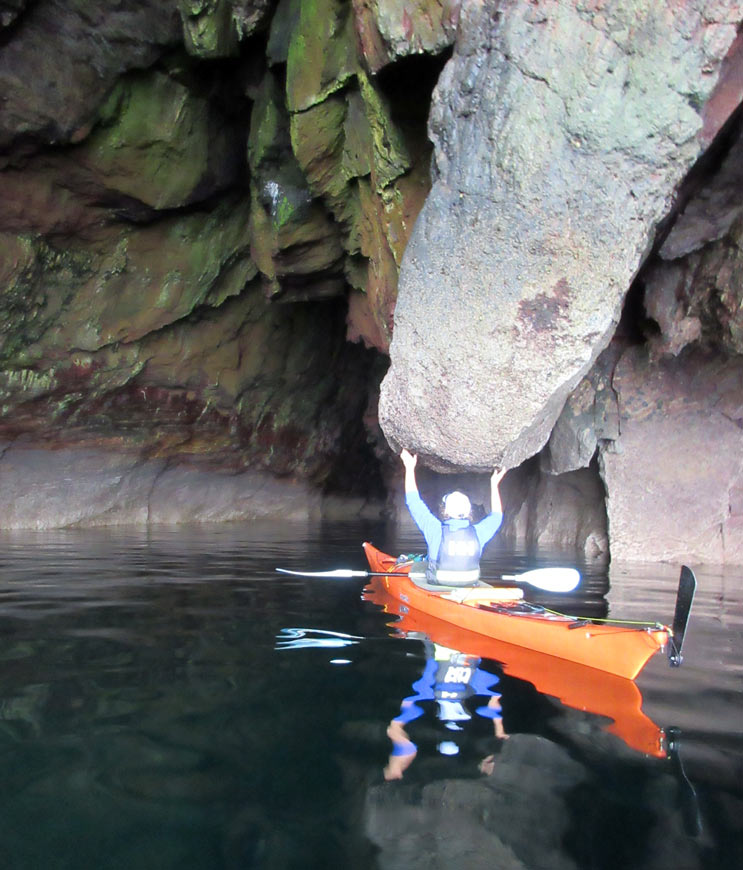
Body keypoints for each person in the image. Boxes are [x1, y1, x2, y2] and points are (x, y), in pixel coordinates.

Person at [400, 448, 507, 586]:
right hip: (469, 582)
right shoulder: (478, 533)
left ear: (445, 511)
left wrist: (409, 468)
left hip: (438, 583)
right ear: (469, 512)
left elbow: (413, 502)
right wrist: (494, 484)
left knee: (419, 566)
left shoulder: (435, 530)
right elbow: (497, 516)